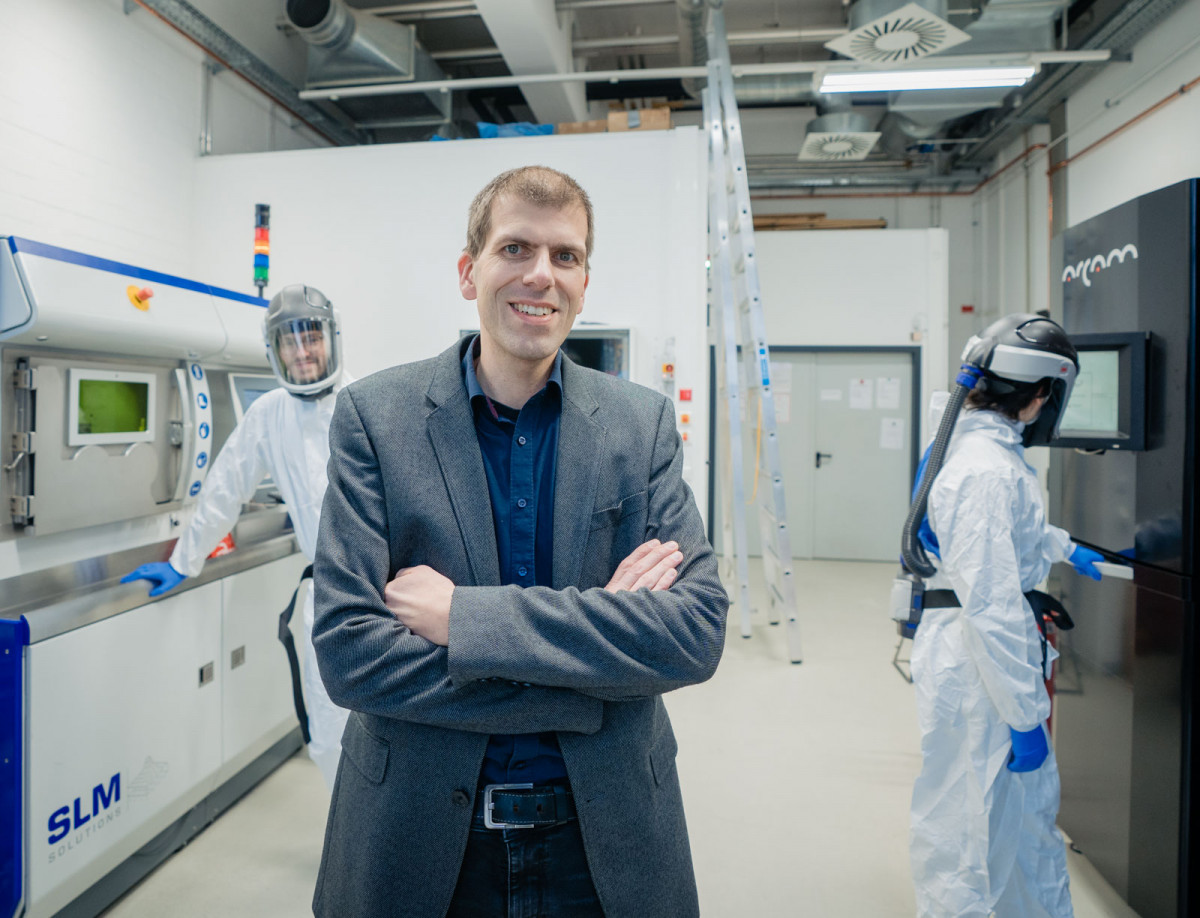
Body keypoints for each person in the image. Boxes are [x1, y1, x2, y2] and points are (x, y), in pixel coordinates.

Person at [310, 165, 728, 918]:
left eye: (565, 256)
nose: (541, 275)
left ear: (584, 281)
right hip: (422, 841)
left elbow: (693, 635)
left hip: (604, 841)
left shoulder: (641, 427)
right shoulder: (378, 419)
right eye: (515, 249)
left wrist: (466, 621)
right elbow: (350, 655)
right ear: (470, 272)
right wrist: (588, 673)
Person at [907, 313, 1104, 918]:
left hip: (981, 661)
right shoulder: (984, 470)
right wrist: (1023, 714)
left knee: (1011, 828)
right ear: (1042, 393)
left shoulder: (978, 451)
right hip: (982, 672)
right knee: (971, 838)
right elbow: (991, 605)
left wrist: (1061, 545)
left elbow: (999, 539)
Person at [122, 284, 353, 789]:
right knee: (330, 732)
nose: (303, 351)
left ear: (331, 339)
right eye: (289, 342)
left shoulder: (365, 403)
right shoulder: (269, 415)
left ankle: (395, 860)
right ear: (275, 351)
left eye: (310, 337)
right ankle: (350, 858)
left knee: (386, 733)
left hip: (386, 598)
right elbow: (225, 486)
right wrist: (185, 559)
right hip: (327, 599)